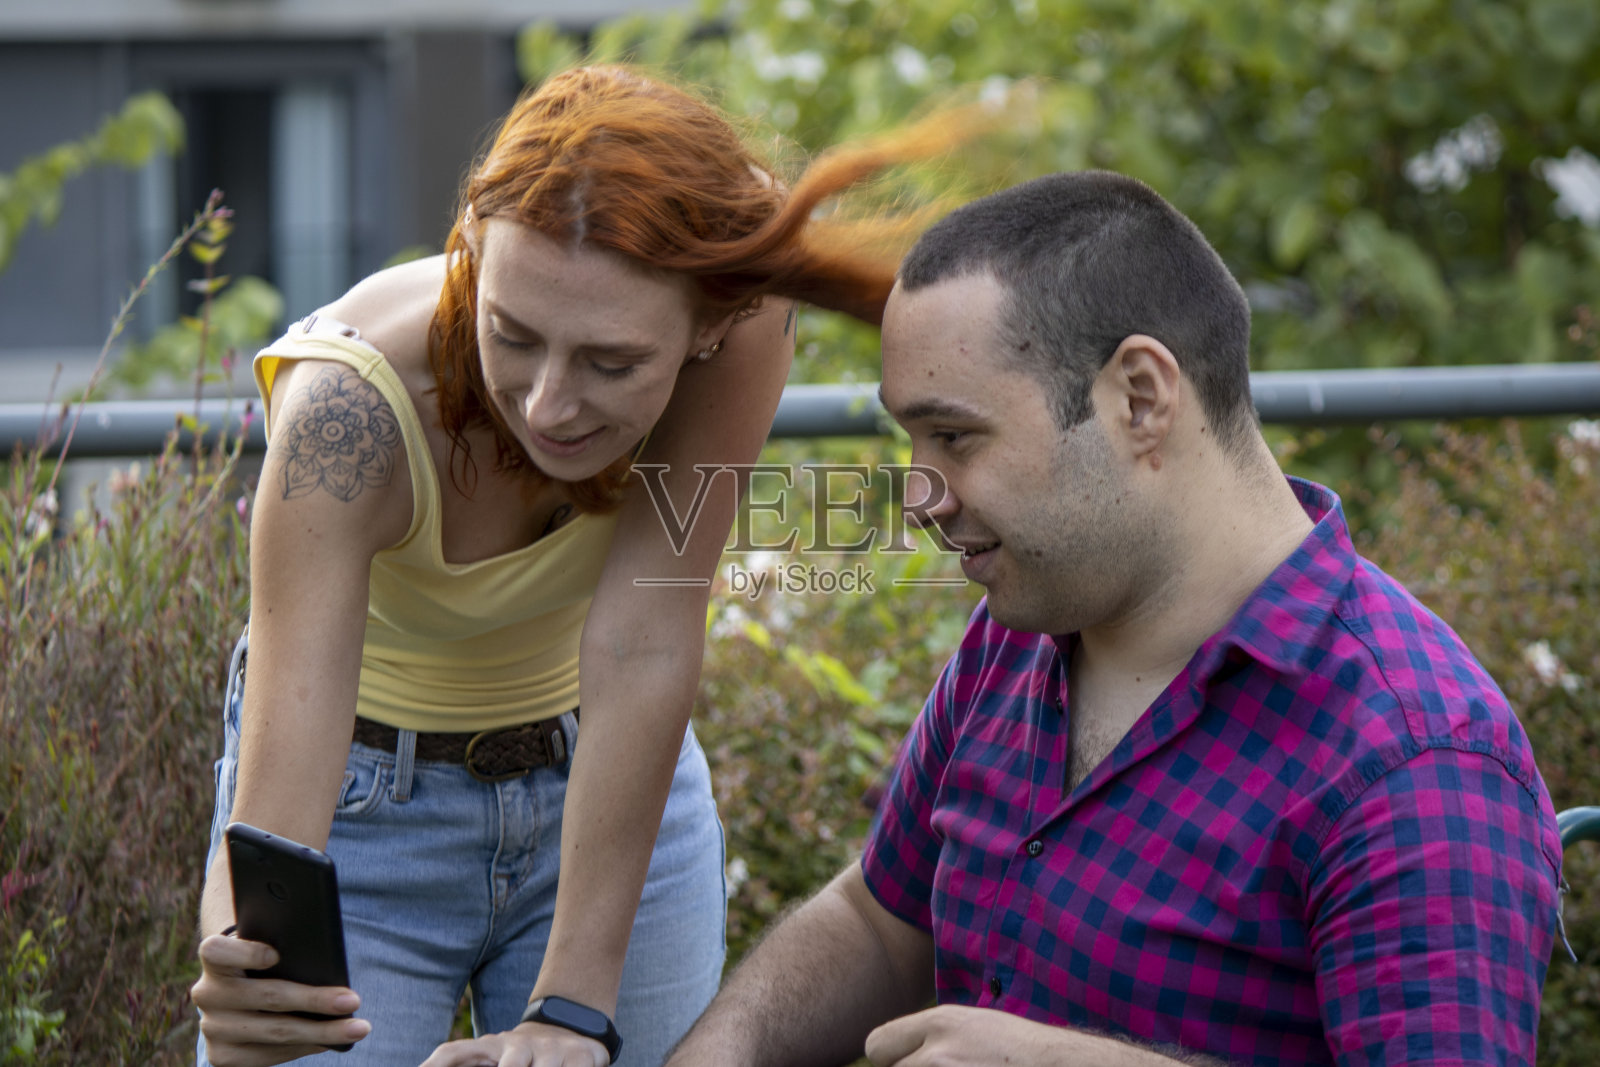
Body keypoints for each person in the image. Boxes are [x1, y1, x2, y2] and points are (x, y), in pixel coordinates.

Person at [665, 171, 1565, 1067]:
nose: (919, 496)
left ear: (1139, 397)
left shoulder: (1416, 760)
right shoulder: (1019, 629)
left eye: (955, 436)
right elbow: (880, 921)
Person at [189, 64, 965, 1067]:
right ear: (470, 248)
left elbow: (643, 634)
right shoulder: (347, 415)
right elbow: (286, 766)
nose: (550, 403)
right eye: (512, 334)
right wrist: (247, 969)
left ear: (709, 325)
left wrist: (573, 1011)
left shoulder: (743, 307)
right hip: (359, 809)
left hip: (604, 783)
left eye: (611, 363)